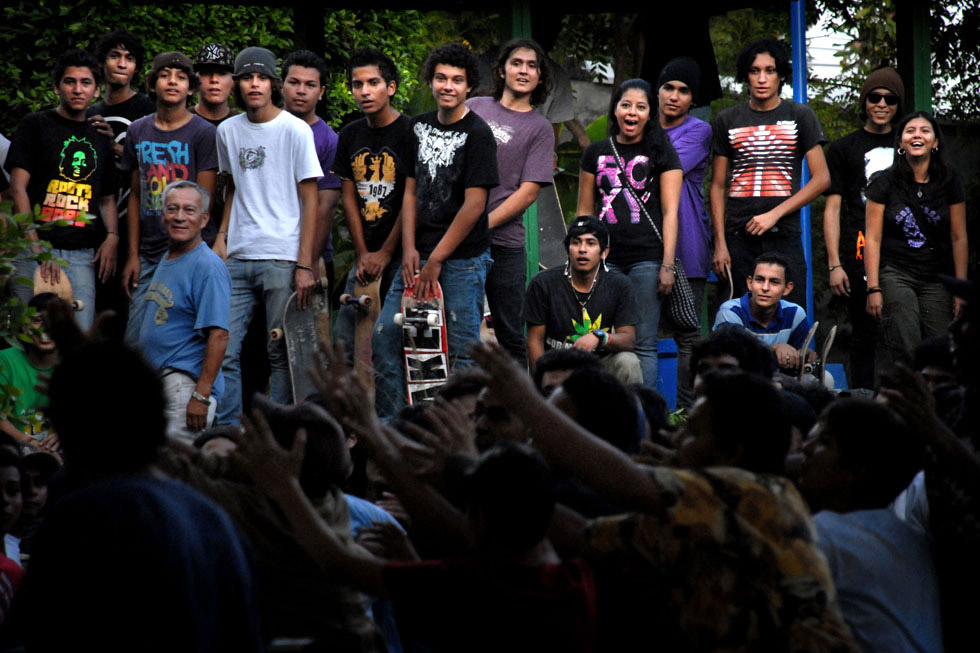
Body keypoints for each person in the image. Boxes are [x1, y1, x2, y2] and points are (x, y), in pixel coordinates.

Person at [468, 343, 857, 651]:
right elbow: (582, 534)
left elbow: (628, 484)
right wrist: (490, 475)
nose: (675, 439)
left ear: (731, 453)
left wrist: (526, 405)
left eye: (693, 432)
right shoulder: (685, 519)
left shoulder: (756, 494)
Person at [12, 340, 262, 651]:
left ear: (71, 430)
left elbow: (32, 635)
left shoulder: (79, 520)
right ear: (158, 420)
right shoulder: (214, 520)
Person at [372, 43, 498, 419]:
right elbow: (409, 190)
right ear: (430, 81)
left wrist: (437, 259)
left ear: (469, 87)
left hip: (461, 261)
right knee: (386, 338)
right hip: (417, 255)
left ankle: (460, 437)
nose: (448, 86)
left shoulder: (478, 134)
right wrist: (409, 248)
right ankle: (394, 431)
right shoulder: (417, 127)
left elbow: (475, 205)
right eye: (441, 77)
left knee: (460, 353)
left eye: (457, 80)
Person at [213, 46, 322, 422]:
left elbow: (311, 201)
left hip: (281, 255)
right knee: (222, 348)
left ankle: (280, 431)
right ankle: (225, 433)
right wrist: (222, 236)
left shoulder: (295, 130)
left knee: (281, 351)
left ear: (273, 83)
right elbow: (232, 189)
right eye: (246, 77)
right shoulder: (227, 131)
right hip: (238, 254)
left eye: (261, 77)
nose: (254, 84)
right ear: (237, 84)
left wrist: (304, 264)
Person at [799, 398, 942, 653]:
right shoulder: (913, 538)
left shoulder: (823, 535)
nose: (807, 448)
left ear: (855, 470)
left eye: (825, 442)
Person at [577, 78, 682, 389]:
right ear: (615, 110)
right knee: (597, 339)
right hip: (602, 262)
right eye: (626, 105)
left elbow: (671, 213)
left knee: (644, 342)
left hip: (647, 260)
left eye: (640, 106)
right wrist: (581, 258)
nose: (632, 112)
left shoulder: (661, 152)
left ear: (650, 113)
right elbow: (584, 211)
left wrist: (667, 264)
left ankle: (644, 419)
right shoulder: (594, 152)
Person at [5, 49, 119, 330]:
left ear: (97, 90)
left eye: (86, 82)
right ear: (57, 87)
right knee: (27, 339)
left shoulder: (99, 135)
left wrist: (113, 236)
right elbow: (18, 187)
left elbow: (106, 198)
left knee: (76, 343)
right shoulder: (36, 125)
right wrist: (35, 246)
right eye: (70, 82)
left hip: (81, 254)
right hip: (34, 250)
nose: (78, 89)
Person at [710, 38, 829, 308]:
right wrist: (720, 243)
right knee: (735, 321)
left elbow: (822, 179)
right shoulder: (727, 120)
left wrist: (775, 213)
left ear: (781, 75)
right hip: (739, 237)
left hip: (784, 234)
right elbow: (717, 186)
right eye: (755, 71)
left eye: (770, 70)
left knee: (789, 316)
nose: (762, 78)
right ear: (745, 75)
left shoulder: (800, 115)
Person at [120, 51, 218, 350]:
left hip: (190, 254)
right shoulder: (138, 130)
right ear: (153, 84)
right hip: (149, 253)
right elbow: (136, 195)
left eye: (181, 77)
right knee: (137, 338)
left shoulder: (203, 132)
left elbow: (205, 201)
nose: (172, 82)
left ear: (191, 88)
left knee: (189, 336)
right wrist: (133, 254)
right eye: (164, 75)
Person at [466, 38, 555, 362]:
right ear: (502, 69)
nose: (524, 70)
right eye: (517, 62)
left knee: (510, 334)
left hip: (504, 244)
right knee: (460, 328)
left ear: (541, 77)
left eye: (532, 66)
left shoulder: (540, 128)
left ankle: (517, 409)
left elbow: (529, 191)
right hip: (460, 239)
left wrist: (481, 224)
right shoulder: (475, 107)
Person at [864, 110, 968, 364]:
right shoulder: (884, 181)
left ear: (936, 142)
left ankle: (937, 401)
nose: (917, 135)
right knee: (905, 340)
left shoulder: (950, 180)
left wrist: (960, 288)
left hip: (937, 276)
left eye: (924, 130)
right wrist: (873, 287)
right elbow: (873, 238)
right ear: (900, 142)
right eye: (910, 131)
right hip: (896, 272)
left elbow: (959, 237)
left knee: (942, 349)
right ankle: (908, 396)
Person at [824, 68, 905, 389]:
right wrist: (834, 264)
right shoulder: (844, 149)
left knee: (905, 332)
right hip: (858, 253)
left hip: (905, 252)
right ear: (865, 101)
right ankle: (862, 407)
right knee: (863, 335)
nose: (882, 104)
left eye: (890, 98)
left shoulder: (909, 143)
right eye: (875, 97)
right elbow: (832, 207)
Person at [332, 49, 413, 365]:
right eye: (357, 84)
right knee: (345, 343)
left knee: (388, 342)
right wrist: (363, 252)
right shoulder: (350, 134)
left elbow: (411, 198)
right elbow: (349, 198)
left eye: (373, 82)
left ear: (391, 87)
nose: (364, 91)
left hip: (400, 256)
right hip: (364, 257)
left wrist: (385, 252)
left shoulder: (410, 131)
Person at [138, 180, 230, 440]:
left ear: (204, 219)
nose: (179, 217)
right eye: (172, 209)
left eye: (189, 210)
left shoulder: (207, 266)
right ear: (162, 215)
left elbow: (219, 334)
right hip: (160, 387)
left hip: (184, 388)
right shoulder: (168, 258)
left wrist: (201, 396)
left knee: (173, 474)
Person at [656, 56, 714, 407]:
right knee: (639, 333)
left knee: (689, 335)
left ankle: (687, 411)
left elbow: (662, 166)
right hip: (644, 247)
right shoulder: (644, 127)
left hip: (687, 246)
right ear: (658, 91)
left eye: (683, 90)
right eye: (668, 88)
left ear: (693, 99)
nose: (675, 96)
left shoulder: (698, 130)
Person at [524, 216, 641, 385]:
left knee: (628, 362)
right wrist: (542, 382)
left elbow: (629, 340)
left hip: (600, 367)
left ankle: (629, 411)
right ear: (568, 248)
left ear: (604, 252)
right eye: (576, 242)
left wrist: (600, 337)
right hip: (558, 368)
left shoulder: (619, 284)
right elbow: (535, 341)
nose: (582, 249)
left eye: (591, 243)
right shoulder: (543, 283)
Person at [281, 50, 342, 297]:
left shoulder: (329, 140)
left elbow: (325, 207)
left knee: (311, 334)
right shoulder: (264, 127)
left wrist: (310, 262)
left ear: (321, 92)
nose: (301, 90)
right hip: (268, 248)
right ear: (281, 85)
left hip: (313, 254)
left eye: (310, 85)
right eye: (294, 82)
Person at [713, 252, 814, 373]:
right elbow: (734, 357)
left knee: (826, 379)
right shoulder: (730, 311)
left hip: (778, 381)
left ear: (787, 288)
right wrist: (775, 349)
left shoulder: (795, 313)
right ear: (750, 283)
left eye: (774, 282)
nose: (765, 288)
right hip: (736, 381)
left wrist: (803, 355)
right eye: (760, 280)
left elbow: (797, 363)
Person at [191, 42, 239, 247]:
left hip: (237, 233)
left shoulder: (243, 125)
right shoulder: (183, 121)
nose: (214, 80)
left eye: (222, 73)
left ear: (234, 81)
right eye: (206, 73)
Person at [0, 294, 59, 448]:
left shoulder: (75, 362)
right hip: (14, 447)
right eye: (37, 320)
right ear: (25, 328)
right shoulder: (5, 360)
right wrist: (30, 444)